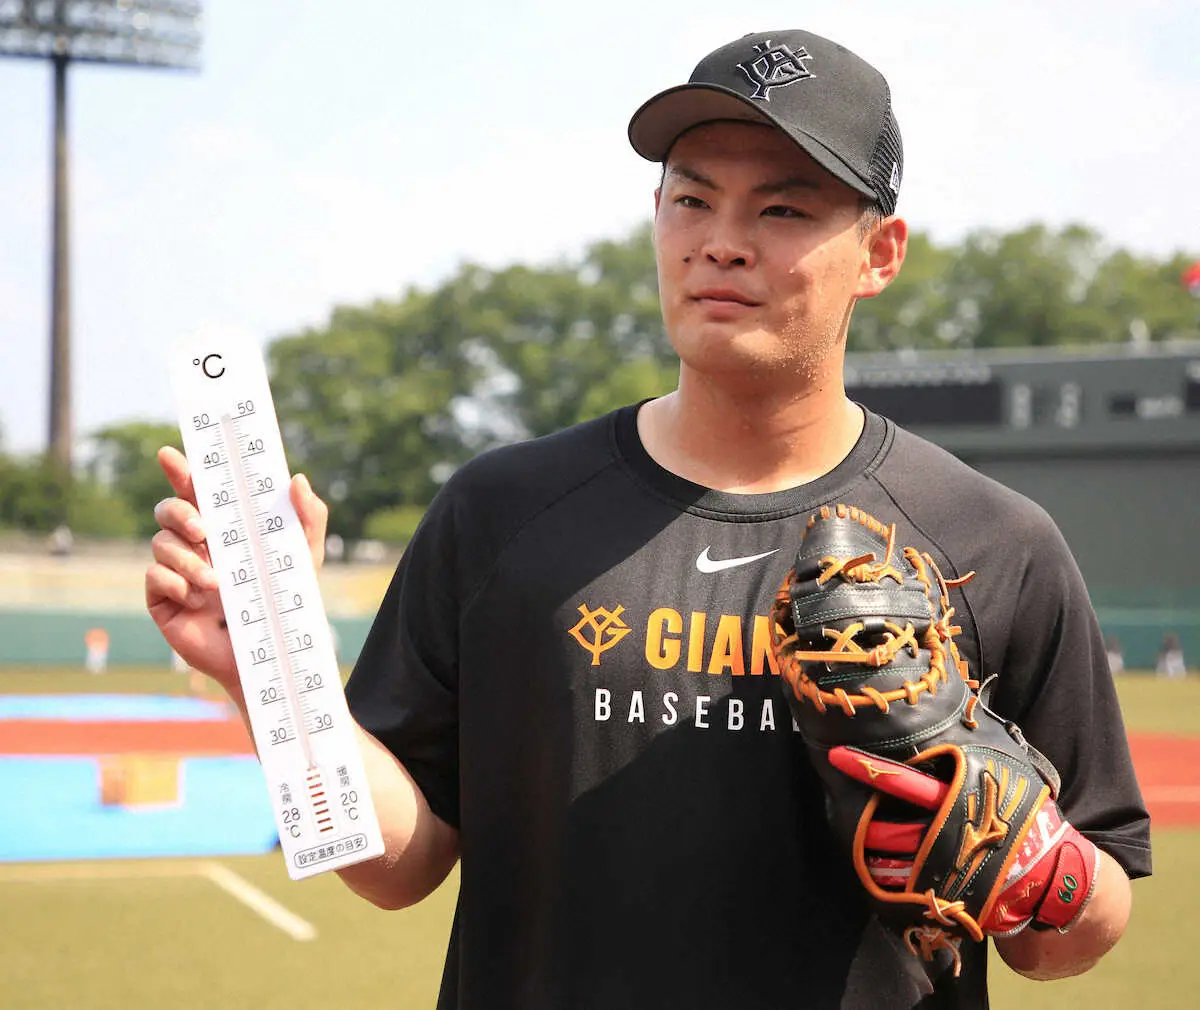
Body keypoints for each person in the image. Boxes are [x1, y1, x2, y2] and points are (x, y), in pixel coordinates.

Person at [145, 29, 1150, 1009]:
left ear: (880, 253)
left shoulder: (993, 542)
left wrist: (1040, 866)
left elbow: (1075, 937)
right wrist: (273, 675)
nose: (722, 239)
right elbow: (399, 868)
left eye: (784, 208)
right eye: (692, 198)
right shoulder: (500, 511)